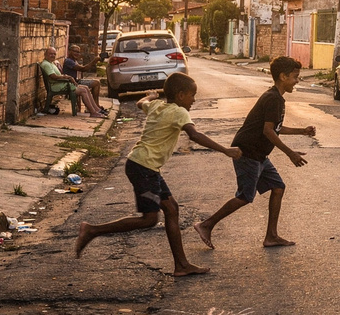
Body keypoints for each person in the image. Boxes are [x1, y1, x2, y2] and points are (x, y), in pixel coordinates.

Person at [74, 72, 240, 275]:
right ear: (180, 96)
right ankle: (92, 230)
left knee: (171, 209)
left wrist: (151, 96)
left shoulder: (156, 106)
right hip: (144, 168)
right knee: (149, 219)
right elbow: (194, 135)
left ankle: (181, 265)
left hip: (143, 166)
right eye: (192, 95)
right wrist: (225, 150)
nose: (194, 100)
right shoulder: (180, 112)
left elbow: (140, 103)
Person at [194, 56, 315, 250]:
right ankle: (206, 225)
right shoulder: (273, 98)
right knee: (244, 196)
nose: (297, 81)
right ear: (283, 76)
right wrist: (290, 153)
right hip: (247, 153)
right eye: (295, 76)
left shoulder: (276, 98)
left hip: (259, 155)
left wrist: (302, 131)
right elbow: (268, 131)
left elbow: (275, 127)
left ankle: (271, 236)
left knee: (278, 187)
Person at [40, 47, 105, 118]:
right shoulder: (46, 64)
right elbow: (53, 76)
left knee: (85, 88)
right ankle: (93, 112)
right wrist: (67, 77)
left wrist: (66, 77)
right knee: (83, 90)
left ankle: (96, 110)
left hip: (62, 83)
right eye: (50, 54)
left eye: (54, 54)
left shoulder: (51, 63)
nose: (53, 56)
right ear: (45, 54)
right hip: (58, 85)